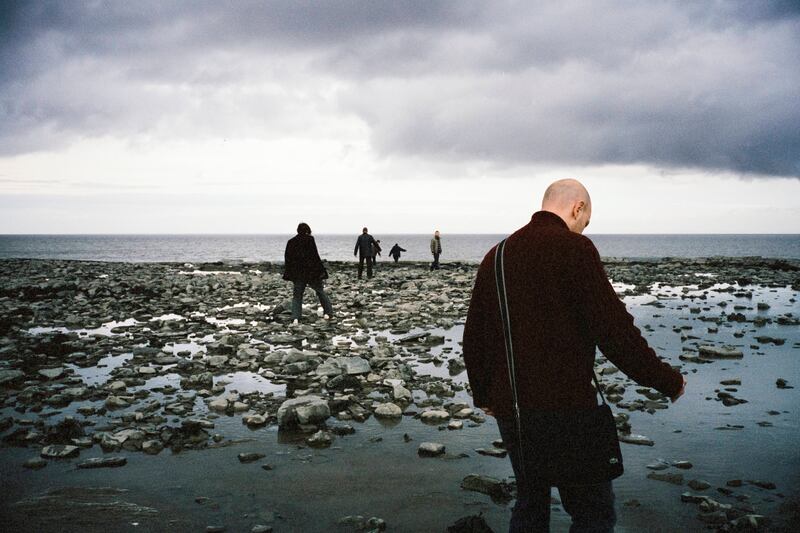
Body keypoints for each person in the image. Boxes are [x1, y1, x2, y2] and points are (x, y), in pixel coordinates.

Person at [462, 179, 686, 533]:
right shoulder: (575, 248)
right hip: (567, 409)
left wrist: (484, 394)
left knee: (530, 503)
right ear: (577, 207)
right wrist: (665, 380)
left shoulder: (497, 255)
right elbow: (614, 330)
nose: (584, 227)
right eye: (586, 220)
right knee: (592, 514)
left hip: (515, 410)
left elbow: (474, 336)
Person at [283, 222, 333, 323]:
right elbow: (315, 256)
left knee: (297, 296)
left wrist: (289, 273)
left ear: (298, 230)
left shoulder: (291, 242)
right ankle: (328, 313)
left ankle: (296, 317)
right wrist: (321, 271)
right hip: (311, 273)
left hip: (298, 273)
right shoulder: (310, 239)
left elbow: (287, 258)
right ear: (307, 230)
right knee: (320, 291)